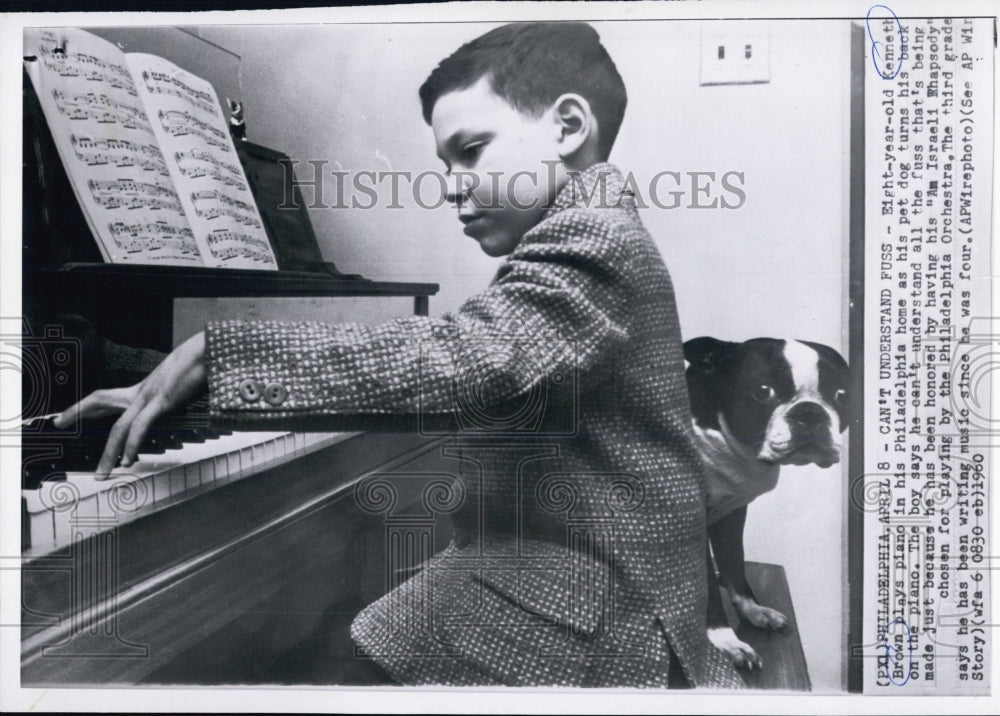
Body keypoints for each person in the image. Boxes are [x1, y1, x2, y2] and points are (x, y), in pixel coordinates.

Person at [54, 22, 742, 689]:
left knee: (318, 664)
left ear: (566, 127)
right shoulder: (589, 235)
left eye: (470, 150)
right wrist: (192, 388)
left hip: (603, 612)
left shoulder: (596, 240)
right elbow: (486, 352)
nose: (449, 184)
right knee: (325, 638)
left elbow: (470, 356)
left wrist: (226, 355)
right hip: (577, 570)